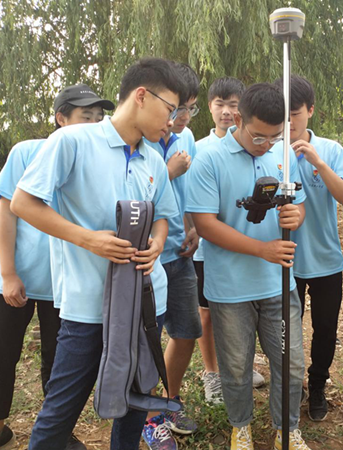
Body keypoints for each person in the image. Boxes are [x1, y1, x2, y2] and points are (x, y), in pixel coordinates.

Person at [10, 57, 184, 450]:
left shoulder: (154, 159)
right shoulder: (73, 142)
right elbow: (23, 203)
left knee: (134, 402)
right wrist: (89, 239)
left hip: (145, 306)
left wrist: (157, 243)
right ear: (142, 96)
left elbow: (162, 217)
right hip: (89, 307)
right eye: (170, 109)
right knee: (60, 410)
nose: (172, 121)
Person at [0, 84, 114, 450]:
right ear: (61, 118)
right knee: (2, 357)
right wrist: (8, 273)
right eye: (85, 117)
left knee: (59, 364)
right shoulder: (28, 151)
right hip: (17, 277)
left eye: (99, 118)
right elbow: (8, 212)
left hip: (65, 286)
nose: (94, 124)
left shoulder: (99, 160)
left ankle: (57, 433)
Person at [187, 83, 312, 450]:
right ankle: (240, 427)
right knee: (236, 366)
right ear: (238, 119)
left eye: (275, 136)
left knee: (290, 363)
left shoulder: (282, 155)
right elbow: (205, 224)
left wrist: (297, 214)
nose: (266, 144)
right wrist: (261, 249)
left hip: (279, 283)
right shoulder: (209, 158)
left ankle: (286, 428)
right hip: (230, 288)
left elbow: (299, 204)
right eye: (259, 136)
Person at [273, 75, 343, 422]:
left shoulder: (331, 150)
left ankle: (318, 383)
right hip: (284, 261)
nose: (289, 122)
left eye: (295, 114)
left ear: (310, 110)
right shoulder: (270, 151)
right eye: (283, 115)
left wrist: (319, 163)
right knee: (286, 330)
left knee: (325, 330)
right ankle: (293, 385)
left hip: (325, 260)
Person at [194, 76, 266, 405]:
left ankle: (241, 367)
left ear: (241, 112)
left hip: (246, 251)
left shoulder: (260, 149)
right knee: (208, 313)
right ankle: (212, 373)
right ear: (210, 107)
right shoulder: (200, 150)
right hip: (205, 250)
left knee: (246, 312)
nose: (225, 111)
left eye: (232, 105)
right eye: (219, 104)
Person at [142, 62, 203, 448]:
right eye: (178, 108)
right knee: (148, 342)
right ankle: (149, 418)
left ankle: (168, 401)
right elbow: (133, 197)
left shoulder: (187, 138)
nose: (182, 117)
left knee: (186, 332)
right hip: (147, 258)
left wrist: (194, 226)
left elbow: (187, 191)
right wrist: (169, 170)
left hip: (180, 251)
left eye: (190, 109)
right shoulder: (141, 138)